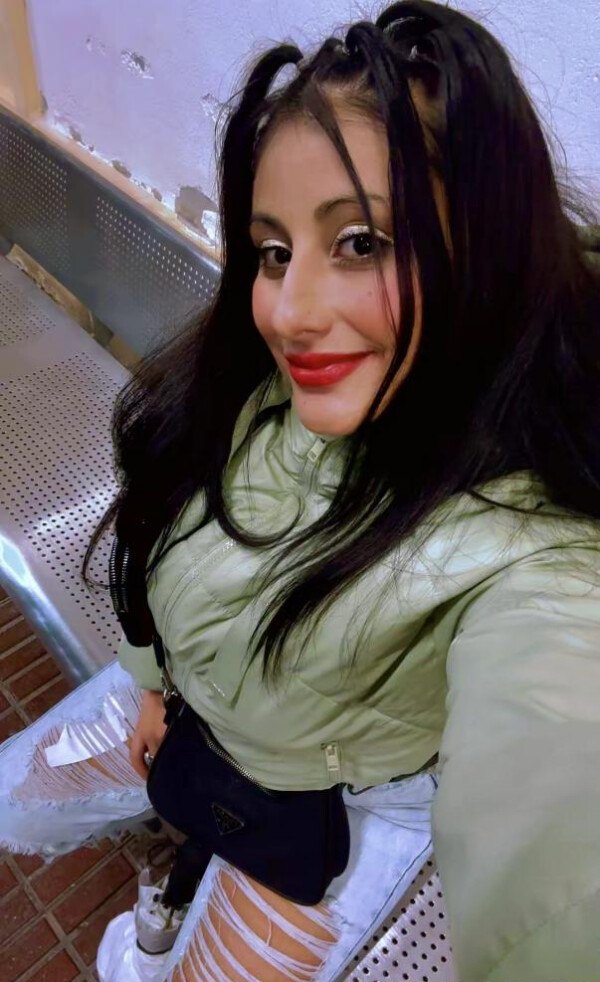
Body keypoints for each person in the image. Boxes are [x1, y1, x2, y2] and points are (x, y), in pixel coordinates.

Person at [1, 1, 600, 979]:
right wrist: (152, 685)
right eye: (275, 251)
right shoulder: (249, 389)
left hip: (331, 813)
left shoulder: (534, 538)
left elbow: (560, 794)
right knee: (16, 801)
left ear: (489, 248)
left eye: (361, 241)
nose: (288, 310)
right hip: (189, 704)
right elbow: (153, 523)